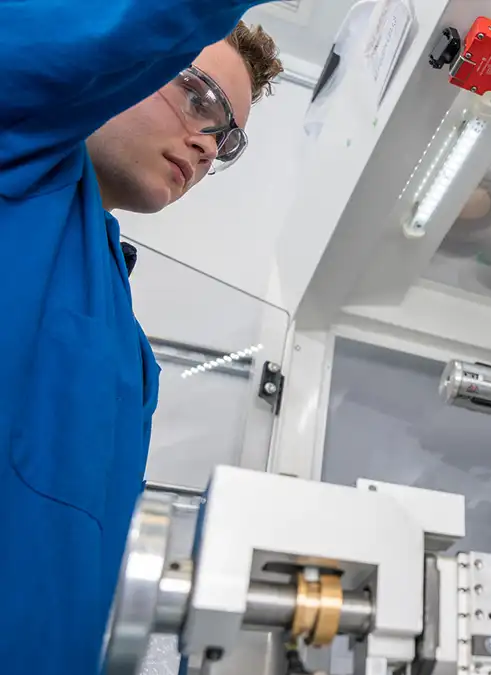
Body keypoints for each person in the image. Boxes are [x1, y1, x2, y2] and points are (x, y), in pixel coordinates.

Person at [0, 4, 282, 671]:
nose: (210, 144)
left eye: (228, 137)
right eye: (197, 97)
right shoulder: (18, 151)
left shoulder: (133, 354)